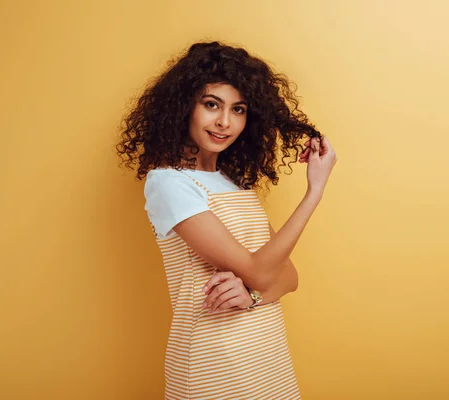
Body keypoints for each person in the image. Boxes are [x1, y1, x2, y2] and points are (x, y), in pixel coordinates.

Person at [116, 41, 337, 400]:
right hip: (213, 362)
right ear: (184, 105)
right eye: (211, 105)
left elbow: (289, 277)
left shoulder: (234, 183)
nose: (224, 122)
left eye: (238, 109)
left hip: (266, 356)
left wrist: (251, 297)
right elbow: (264, 273)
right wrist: (314, 191)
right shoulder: (170, 183)